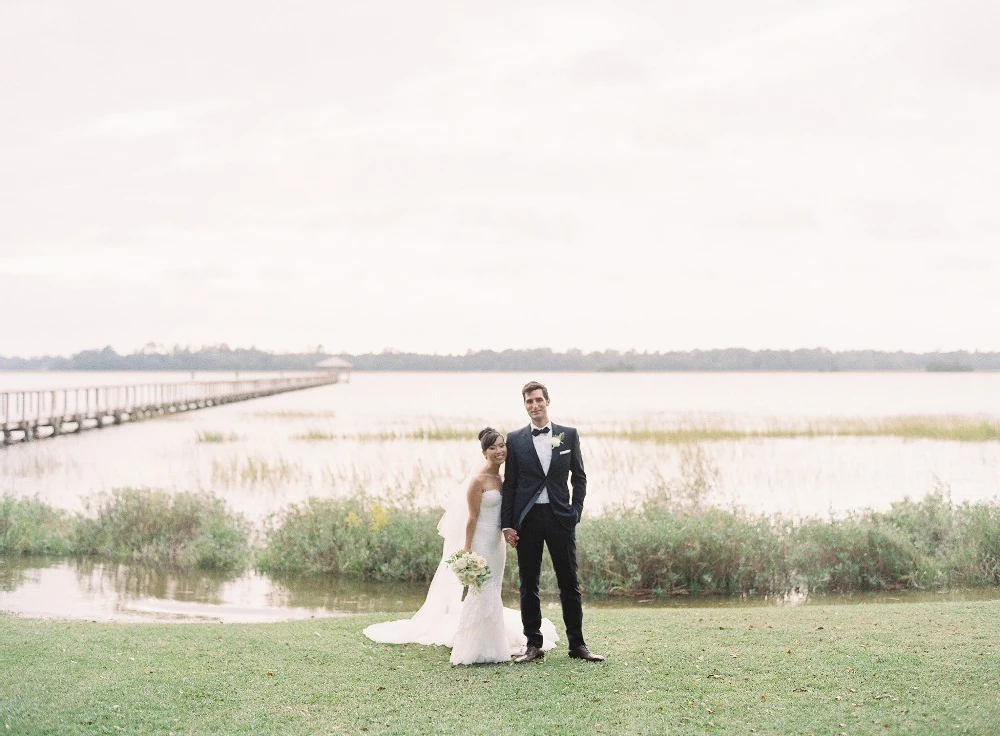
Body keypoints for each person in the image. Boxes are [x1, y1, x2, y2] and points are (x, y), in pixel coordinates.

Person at [363, 427, 556, 664]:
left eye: (501, 445)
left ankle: (493, 639)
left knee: (493, 589)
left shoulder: (503, 479)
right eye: (492, 447)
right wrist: (467, 549)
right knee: (481, 588)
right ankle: (474, 645)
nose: (499, 450)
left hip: (497, 544)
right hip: (480, 540)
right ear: (484, 452)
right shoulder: (478, 480)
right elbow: (472, 517)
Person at [501, 381, 604, 662]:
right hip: (528, 519)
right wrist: (507, 524)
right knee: (528, 584)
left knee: (569, 582)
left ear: (547, 401)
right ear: (525, 405)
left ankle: (577, 645)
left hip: (560, 518)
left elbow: (579, 477)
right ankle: (533, 645)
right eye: (528, 402)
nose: (534, 405)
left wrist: (576, 511)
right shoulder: (515, 439)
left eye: (538, 400)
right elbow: (509, 485)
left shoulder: (568, 435)